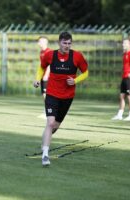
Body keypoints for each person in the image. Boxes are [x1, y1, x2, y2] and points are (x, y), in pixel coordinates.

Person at [33, 32, 88, 166]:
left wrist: (75, 80)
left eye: (69, 43)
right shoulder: (50, 55)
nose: (67, 46)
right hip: (52, 94)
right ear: (59, 43)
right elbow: (42, 67)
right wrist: (37, 79)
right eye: (64, 43)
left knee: (55, 126)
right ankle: (45, 154)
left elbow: (85, 72)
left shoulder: (77, 56)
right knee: (50, 122)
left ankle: (44, 142)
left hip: (67, 97)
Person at [111, 38, 130, 121]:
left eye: (125, 43)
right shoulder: (125, 54)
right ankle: (120, 114)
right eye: (123, 43)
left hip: (129, 78)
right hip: (124, 77)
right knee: (121, 96)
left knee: (129, 97)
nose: (123, 45)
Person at [37, 36, 52, 119]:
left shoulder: (48, 52)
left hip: (49, 77)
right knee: (44, 94)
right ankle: (46, 111)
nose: (38, 43)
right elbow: (42, 65)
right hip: (43, 76)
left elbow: (50, 64)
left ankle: (48, 113)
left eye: (40, 41)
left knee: (46, 95)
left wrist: (46, 75)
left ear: (44, 42)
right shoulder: (41, 52)